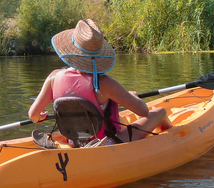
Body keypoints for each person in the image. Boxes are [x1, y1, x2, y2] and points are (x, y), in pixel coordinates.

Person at [28, 19, 172, 145]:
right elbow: (143, 111)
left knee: (120, 119)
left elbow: (33, 115)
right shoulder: (103, 83)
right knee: (159, 112)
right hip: (107, 143)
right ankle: (172, 139)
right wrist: (133, 96)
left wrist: (40, 117)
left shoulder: (53, 77)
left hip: (74, 142)